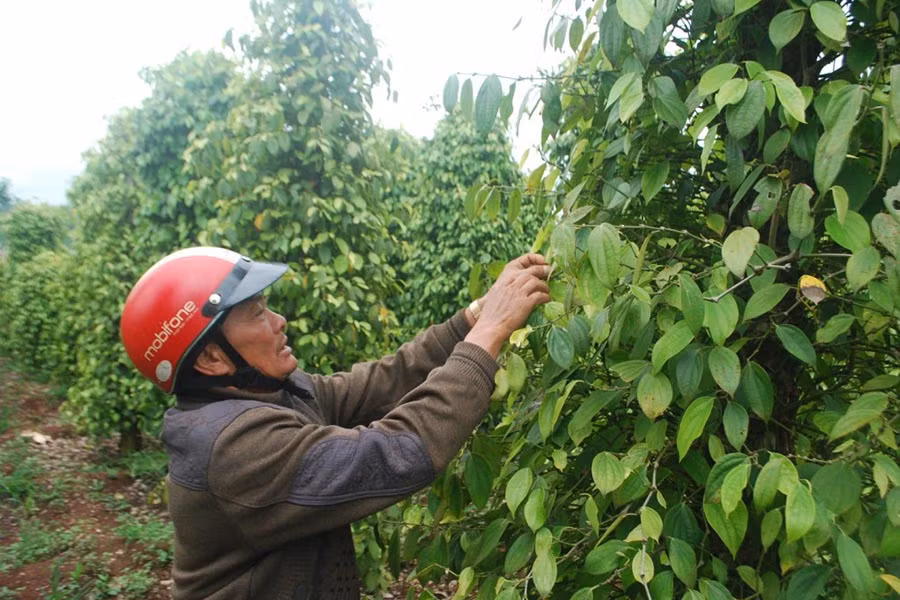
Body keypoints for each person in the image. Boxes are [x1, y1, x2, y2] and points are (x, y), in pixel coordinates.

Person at [120, 246, 550, 600]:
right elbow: (397, 451)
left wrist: (473, 317)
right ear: (213, 359)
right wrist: (490, 333)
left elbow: (378, 383)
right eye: (256, 314)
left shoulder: (272, 395)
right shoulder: (236, 448)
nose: (278, 321)